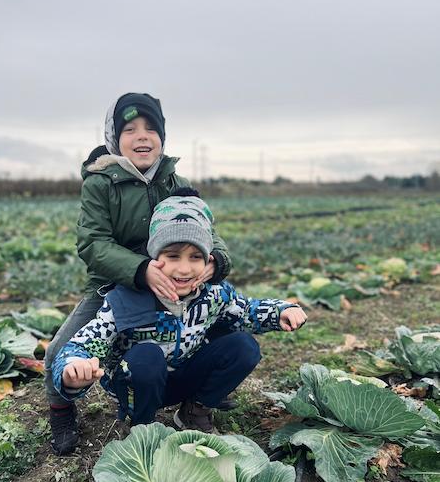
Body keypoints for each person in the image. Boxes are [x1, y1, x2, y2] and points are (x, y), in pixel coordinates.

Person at [45, 93, 231, 454]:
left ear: (163, 136)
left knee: (222, 325)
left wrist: (215, 261)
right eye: (130, 129)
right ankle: (61, 411)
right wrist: (141, 269)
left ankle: (199, 396)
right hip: (113, 284)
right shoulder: (100, 183)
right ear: (115, 137)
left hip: (175, 280)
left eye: (151, 128)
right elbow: (93, 244)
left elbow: (208, 231)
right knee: (58, 351)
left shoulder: (175, 181)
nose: (142, 136)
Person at [51, 189, 307, 445]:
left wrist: (280, 311)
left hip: (183, 378)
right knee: (145, 358)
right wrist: (73, 369)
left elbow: (248, 311)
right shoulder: (124, 300)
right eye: (172, 256)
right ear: (154, 258)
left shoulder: (213, 295)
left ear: (208, 260)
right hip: (137, 385)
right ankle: (143, 428)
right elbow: (82, 344)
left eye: (195, 257)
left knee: (244, 346)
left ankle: (193, 412)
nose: (184, 269)